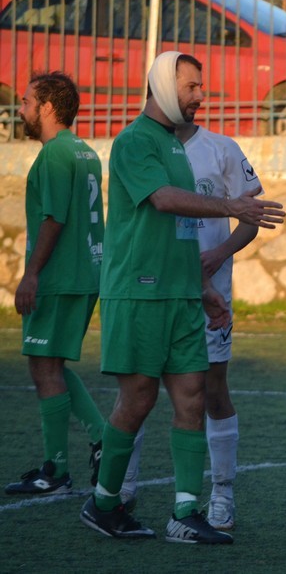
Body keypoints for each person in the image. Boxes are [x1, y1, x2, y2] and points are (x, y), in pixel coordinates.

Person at [79, 51, 285, 544]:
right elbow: (164, 201)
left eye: (199, 86)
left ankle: (186, 512)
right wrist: (232, 206)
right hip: (139, 294)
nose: (200, 96)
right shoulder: (134, 141)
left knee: (193, 397)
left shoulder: (175, 145)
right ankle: (104, 503)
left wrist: (204, 288)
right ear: (163, 87)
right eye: (191, 86)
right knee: (137, 400)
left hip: (183, 296)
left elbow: (182, 232)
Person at [4, 73, 107, 497]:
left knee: (44, 365)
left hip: (60, 276)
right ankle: (79, 453)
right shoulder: (86, 151)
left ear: (47, 107)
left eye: (27, 102)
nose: (21, 109)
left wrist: (31, 274)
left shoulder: (54, 155)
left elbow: (54, 219)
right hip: (86, 271)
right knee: (51, 363)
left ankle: (66, 464)